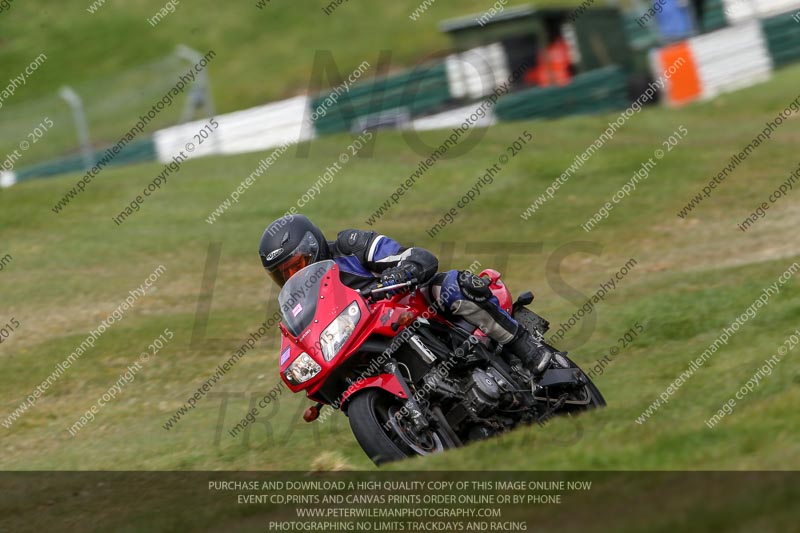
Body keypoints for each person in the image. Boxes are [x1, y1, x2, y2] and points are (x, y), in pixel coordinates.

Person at [258, 214, 551, 376]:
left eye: (296, 265)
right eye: (282, 274)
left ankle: (524, 346)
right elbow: (303, 335)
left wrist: (401, 271)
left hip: (411, 308)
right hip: (361, 341)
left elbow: (410, 256)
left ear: (313, 246)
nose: (293, 276)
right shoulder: (302, 302)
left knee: (451, 286)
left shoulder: (349, 246)